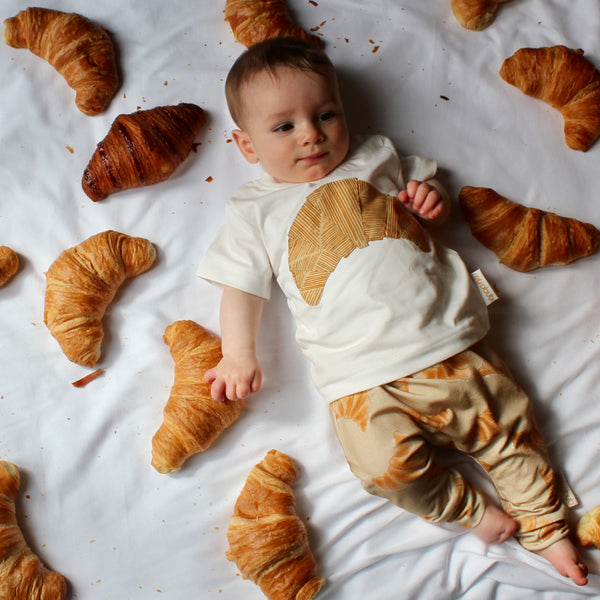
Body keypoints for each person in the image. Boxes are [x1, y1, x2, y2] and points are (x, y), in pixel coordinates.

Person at [197, 36, 588, 586]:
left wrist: (430, 202)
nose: (311, 133)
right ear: (246, 145)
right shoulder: (253, 211)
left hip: (445, 340)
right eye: (283, 127)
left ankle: (550, 532)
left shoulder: (374, 156)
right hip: (358, 379)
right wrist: (237, 354)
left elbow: (427, 197)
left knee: (509, 433)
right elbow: (241, 288)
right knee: (383, 471)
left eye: (325, 114)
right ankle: (470, 511)